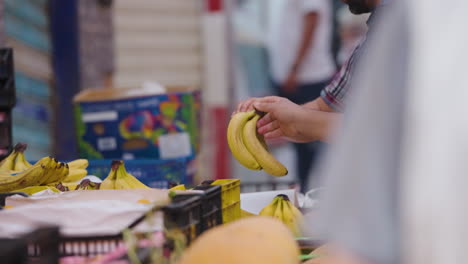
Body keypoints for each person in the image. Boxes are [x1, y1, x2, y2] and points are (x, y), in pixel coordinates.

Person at [235, 0, 389, 145]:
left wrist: (297, 117)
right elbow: (325, 108)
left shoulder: (399, 34)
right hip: (295, 78)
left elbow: (380, 130)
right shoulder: (378, 35)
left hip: (307, 77)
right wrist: (274, 116)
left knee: (310, 160)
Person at [266, 0, 335, 190]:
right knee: (297, 142)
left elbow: (312, 19)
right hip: (288, 77)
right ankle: (305, 191)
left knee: (313, 146)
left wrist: (295, 69)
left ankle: (314, 194)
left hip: (307, 77)